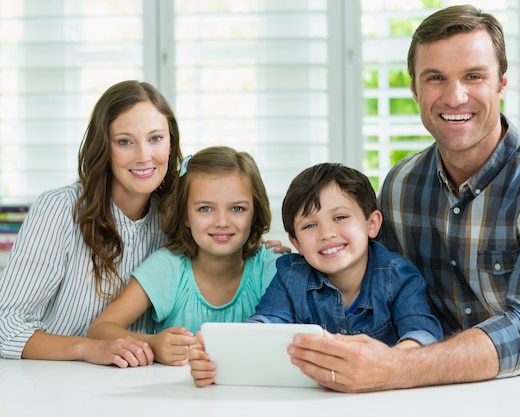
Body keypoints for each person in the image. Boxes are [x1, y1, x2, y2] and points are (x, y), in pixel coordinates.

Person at [284, 5, 520, 393]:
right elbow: (376, 281)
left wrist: (397, 367)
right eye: (435, 78)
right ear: (415, 89)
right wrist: (294, 258)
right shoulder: (400, 186)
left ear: (501, 84)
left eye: (473, 76)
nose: (455, 96)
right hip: (448, 390)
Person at [188, 162, 442, 387]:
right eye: (309, 225)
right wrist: (220, 356)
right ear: (295, 242)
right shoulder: (290, 275)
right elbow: (264, 325)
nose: (327, 233)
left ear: (371, 224)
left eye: (340, 217)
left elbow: (422, 334)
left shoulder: (398, 275)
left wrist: (395, 361)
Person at [0, 80, 183, 367]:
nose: (144, 156)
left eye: (156, 138)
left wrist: (271, 253)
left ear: (171, 144)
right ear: (104, 148)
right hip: (50, 386)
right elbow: (4, 325)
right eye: (125, 141)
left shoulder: (177, 217)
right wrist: (88, 349)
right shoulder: (59, 209)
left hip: (139, 386)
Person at [87, 146, 283, 366]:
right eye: (205, 209)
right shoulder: (167, 267)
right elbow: (100, 329)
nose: (222, 221)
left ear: (255, 212)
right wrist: (153, 343)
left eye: (237, 209)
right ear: (185, 215)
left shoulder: (272, 267)